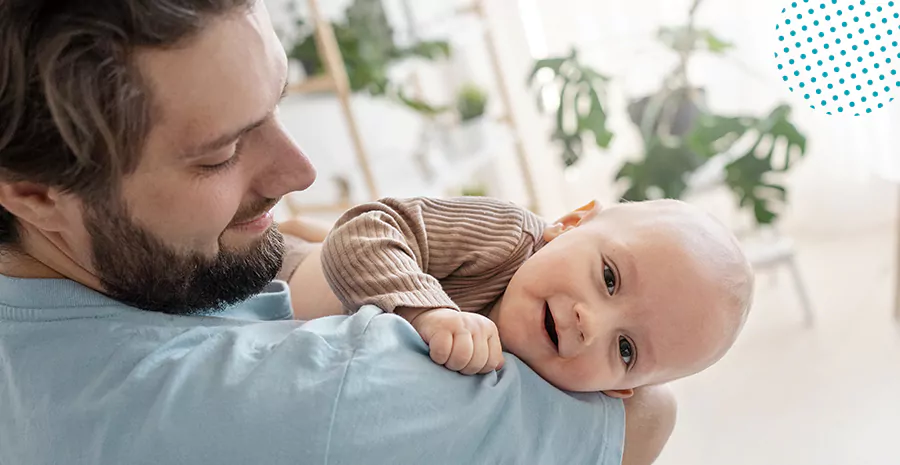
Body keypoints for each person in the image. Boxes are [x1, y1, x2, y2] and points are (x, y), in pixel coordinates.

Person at [0, 1, 676, 464]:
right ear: (34, 193)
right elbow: (641, 421)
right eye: (219, 154)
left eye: (276, 105)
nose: (299, 170)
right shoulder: (318, 395)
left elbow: (296, 247)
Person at [302, 196, 753, 397]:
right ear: (569, 224)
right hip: (284, 279)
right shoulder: (506, 237)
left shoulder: (555, 400)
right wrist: (428, 311)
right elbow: (365, 228)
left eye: (626, 348)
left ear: (617, 389)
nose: (590, 323)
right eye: (610, 278)